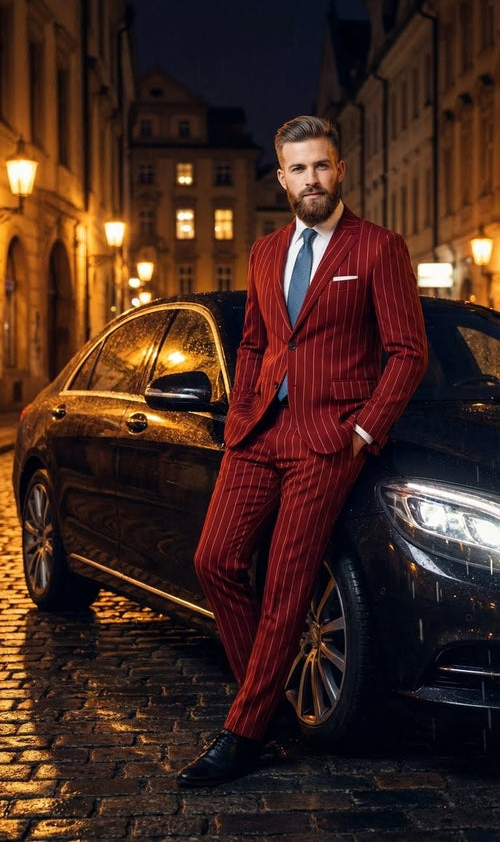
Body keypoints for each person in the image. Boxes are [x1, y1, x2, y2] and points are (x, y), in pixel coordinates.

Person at [177, 115, 428, 788]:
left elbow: (408, 351)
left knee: (287, 582)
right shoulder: (263, 252)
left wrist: (364, 431)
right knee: (216, 559)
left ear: (339, 170)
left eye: (322, 166)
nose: (311, 179)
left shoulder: (378, 247)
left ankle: (244, 731)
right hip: (259, 431)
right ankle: (270, 704)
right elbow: (256, 340)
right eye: (298, 168)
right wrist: (242, 411)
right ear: (281, 177)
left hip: (330, 437)